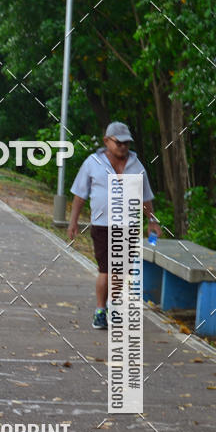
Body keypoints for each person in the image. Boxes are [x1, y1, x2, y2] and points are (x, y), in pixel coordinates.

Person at [68, 121, 161, 330]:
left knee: (121, 270)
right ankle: (100, 310)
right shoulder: (93, 163)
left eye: (126, 143)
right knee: (106, 269)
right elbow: (79, 195)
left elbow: (146, 198)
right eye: (118, 143)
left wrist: (152, 221)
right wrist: (73, 221)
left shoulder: (137, 165)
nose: (123, 147)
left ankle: (112, 306)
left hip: (129, 225)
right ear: (106, 141)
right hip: (102, 225)